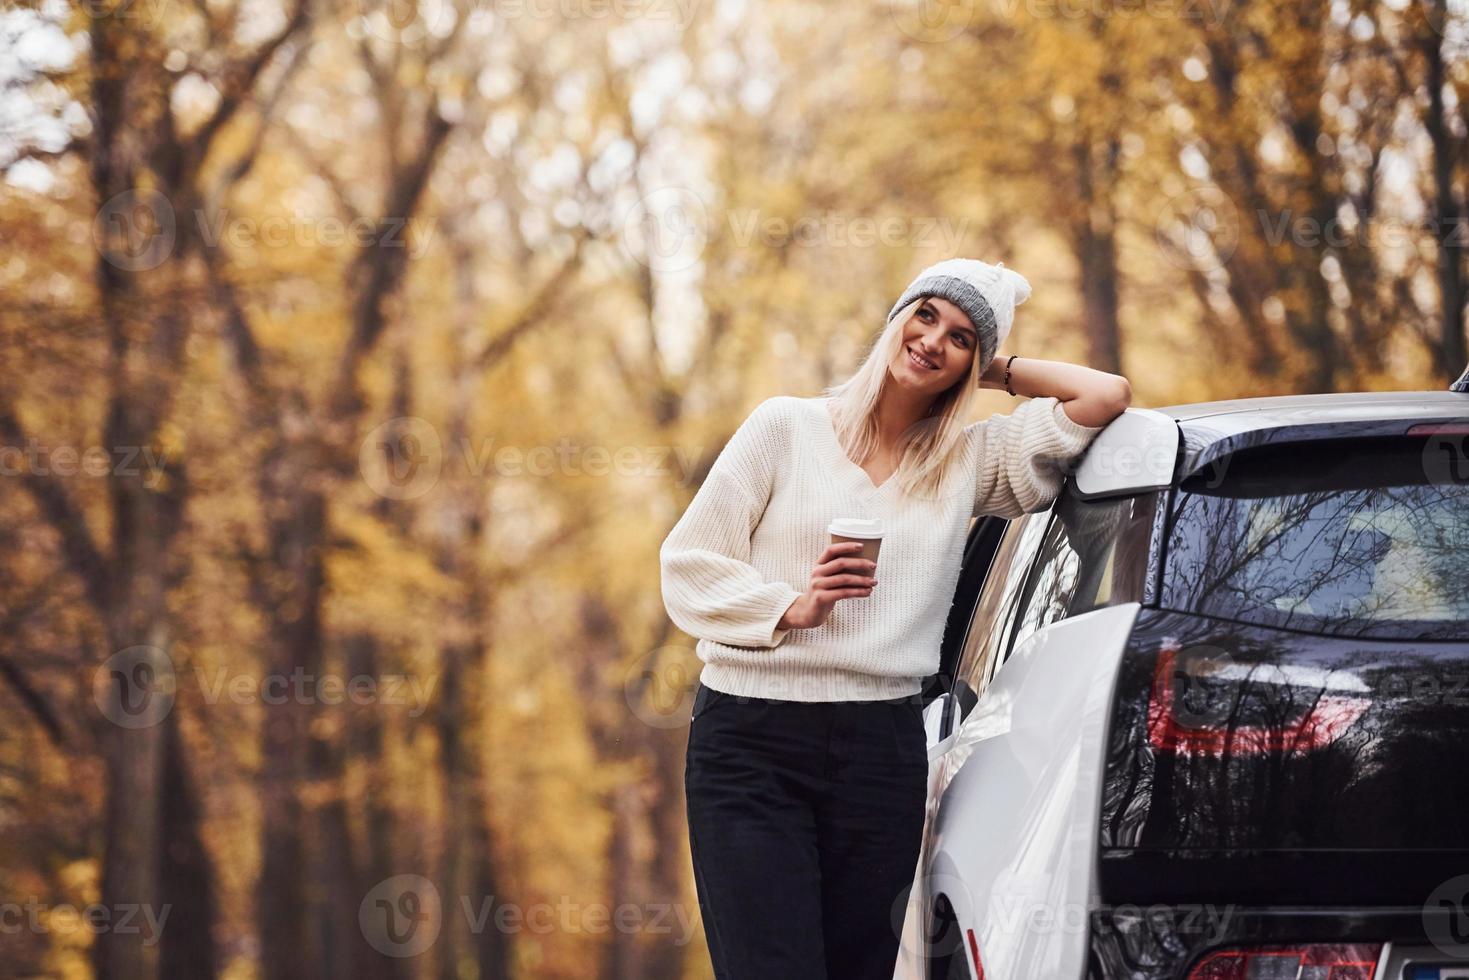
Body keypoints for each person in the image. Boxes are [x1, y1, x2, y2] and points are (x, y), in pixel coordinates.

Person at [659, 257, 1131, 979]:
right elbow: (689, 564)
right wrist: (793, 605)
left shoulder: (968, 461)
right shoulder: (784, 428)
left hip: (879, 751)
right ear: (894, 318)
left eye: (960, 337)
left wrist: (996, 366)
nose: (934, 340)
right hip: (750, 741)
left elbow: (1104, 395)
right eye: (925, 314)